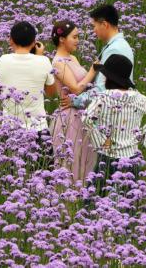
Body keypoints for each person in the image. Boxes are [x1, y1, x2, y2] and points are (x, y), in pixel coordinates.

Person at [82, 54, 146, 197]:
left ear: (108, 77)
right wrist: (141, 134)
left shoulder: (104, 97)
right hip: (132, 157)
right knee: (129, 201)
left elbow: (86, 119)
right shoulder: (139, 98)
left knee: (95, 199)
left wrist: (101, 142)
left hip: (107, 156)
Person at [0, 21, 56, 169]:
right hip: (38, 131)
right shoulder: (44, 61)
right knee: (42, 182)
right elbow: (52, 93)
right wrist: (40, 57)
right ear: (34, 42)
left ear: (11, 40)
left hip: (9, 131)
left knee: (9, 182)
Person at [50, 20, 98, 184]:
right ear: (62, 39)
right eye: (75, 37)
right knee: (71, 162)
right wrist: (93, 70)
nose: (78, 40)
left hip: (81, 113)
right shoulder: (58, 62)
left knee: (84, 159)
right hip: (69, 117)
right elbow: (76, 89)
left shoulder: (73, 58)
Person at [61, 4, 134, 110]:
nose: (94, 30)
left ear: (104, 24)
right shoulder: (119, 45)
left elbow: (103, 87)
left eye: (94, 26)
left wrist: (75, 100)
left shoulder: (114, 49)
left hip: (110, 111)